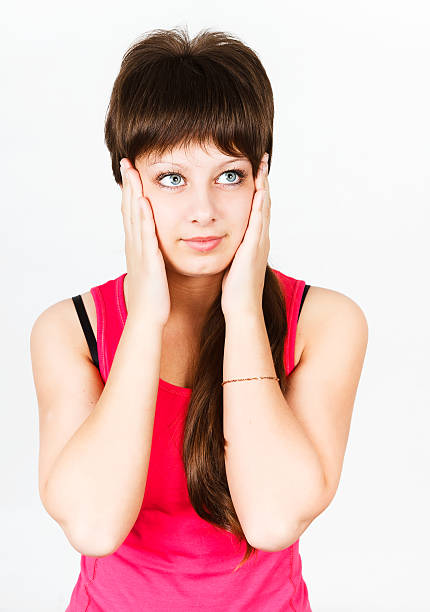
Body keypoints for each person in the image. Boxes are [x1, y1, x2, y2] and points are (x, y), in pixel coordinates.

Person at [30, 26, 368, 611]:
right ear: (127, 181)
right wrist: (145, 321)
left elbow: (272, 519)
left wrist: (242, 313)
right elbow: (93, 526)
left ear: (262, 178)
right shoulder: (71, 331)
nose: (204, 211)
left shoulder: (325, 322)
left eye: (230, 176)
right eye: (171, 178)